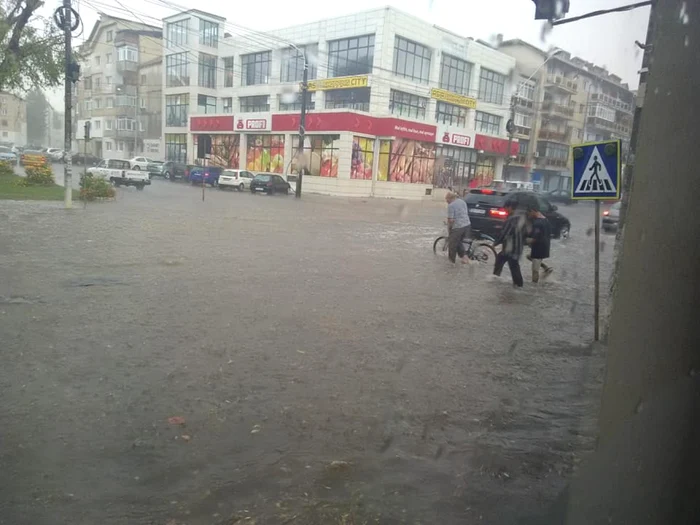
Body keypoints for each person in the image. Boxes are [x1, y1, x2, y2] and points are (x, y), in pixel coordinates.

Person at [492, 198, 528, 287]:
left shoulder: (511, 219)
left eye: (506, 208)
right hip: (517, 247)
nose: (505, 210)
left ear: (510, 207)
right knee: (501, 260)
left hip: (510, 248)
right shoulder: (522, 217)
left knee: (513, 266)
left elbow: (504, 233)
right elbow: (526, 232)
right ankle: (496, 279)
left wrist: (495, 243)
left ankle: (518, 285)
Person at [526, 206, 553, 283]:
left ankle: (534, 288)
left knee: (535, 270)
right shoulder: (546, 220)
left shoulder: (537, 223)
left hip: (538, 249)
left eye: (529, 213)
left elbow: (534, 238)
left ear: (532, 211)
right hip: (545, 247)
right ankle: (546, 268)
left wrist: (524, 242)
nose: (529, 216)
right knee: (528, 256)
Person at [445, 191, 471, 264]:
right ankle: (465, 258)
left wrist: (449, 228)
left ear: (450, 198)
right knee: (458, 241)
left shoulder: (451, 206)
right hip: (467, 225)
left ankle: (451, 263)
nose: (446, 201)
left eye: (446, 199)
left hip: (458, 227)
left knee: (452, 245)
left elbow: (451, 220)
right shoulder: (462, 201)